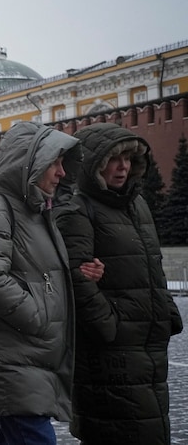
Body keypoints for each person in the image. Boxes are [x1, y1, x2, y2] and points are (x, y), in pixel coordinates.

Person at [54, 123, 183, 444]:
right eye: (114, 159)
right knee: (120, 430)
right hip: (111, 351)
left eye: (128, 158)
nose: (123, 166)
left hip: (149, 345)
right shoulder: (78, 208)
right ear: (92, 164)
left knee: (150, 425)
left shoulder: (136, 205)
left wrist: (167, 312)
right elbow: (75, 274)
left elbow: (152, 265)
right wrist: (109, 325)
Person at [0, 121, 80, 444]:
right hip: (12, 355)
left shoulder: (37, 214)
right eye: (54, 162)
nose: (61, 172)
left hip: (30, 356)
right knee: (34, 438)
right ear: (30, 161)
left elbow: (40, 274)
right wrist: (36, 316)